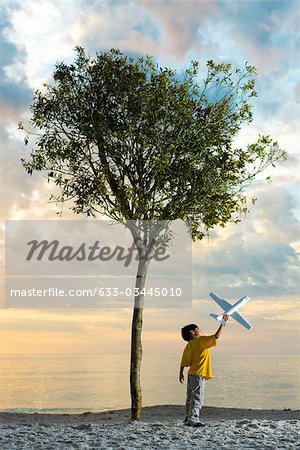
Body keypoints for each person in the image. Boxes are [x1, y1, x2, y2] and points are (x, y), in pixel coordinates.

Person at [179, 315, 228, 427]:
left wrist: (180, 372)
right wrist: (222, 323)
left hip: (191, 374)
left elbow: (184, 361)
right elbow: (216, 336)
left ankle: (187, 418)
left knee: (190, 398)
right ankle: (193, 419)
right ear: (193, 332)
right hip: (199, 374)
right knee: (198, 397)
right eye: (198, 329)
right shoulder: (201, 341)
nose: (200, 331)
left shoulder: (189, 345)